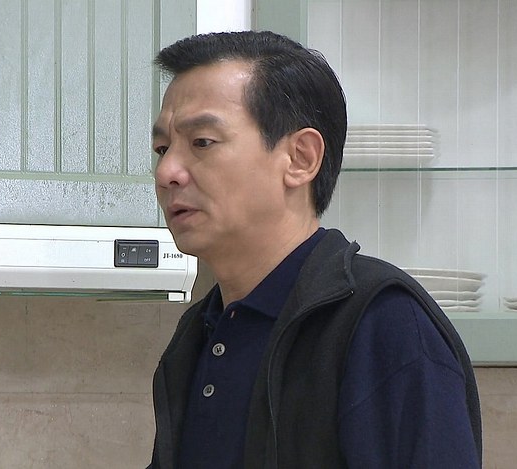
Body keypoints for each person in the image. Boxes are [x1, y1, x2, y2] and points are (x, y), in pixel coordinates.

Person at [147, 30, 481, 468]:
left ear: (301, 158)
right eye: (162, 148)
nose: (167, 171)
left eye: (202, 142)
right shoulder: (199, 332)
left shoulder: (384, 324)